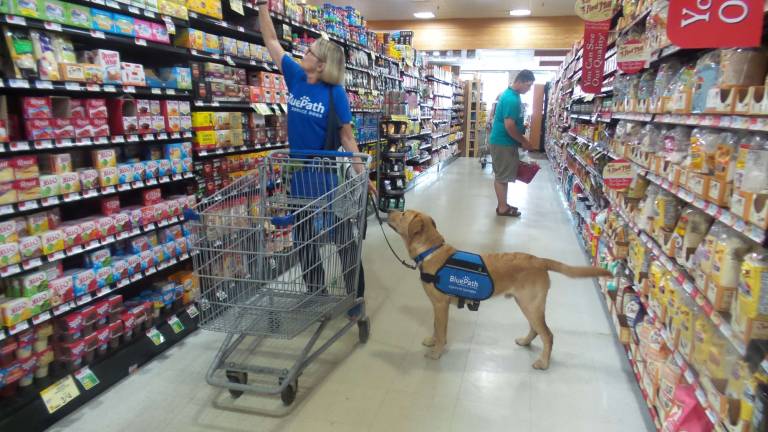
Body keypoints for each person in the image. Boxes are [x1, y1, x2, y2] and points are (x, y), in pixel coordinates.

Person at [258, 2, 371, 319]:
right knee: (304, 240)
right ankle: (316, 293)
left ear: (321, 65)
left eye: (309, 52)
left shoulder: (335, 94)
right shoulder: (295, 76)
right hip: (299, 177)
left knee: (342, 240)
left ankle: (355, 296)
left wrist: (363, 175)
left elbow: (347, 138)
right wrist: (262, 8)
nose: (302, 54)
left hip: (326, 179)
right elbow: (271, 42)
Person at [488, 70, 535, 217]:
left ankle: (503, 205)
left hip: (505, 142)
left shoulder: (513, 95)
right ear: (520, 82)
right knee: (502, 177)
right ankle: (502, 208)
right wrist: (524, 141)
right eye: (528, 85)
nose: (529, 89)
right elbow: (509, 126)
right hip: (503, 143)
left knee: (504, 176)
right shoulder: (511, 99)